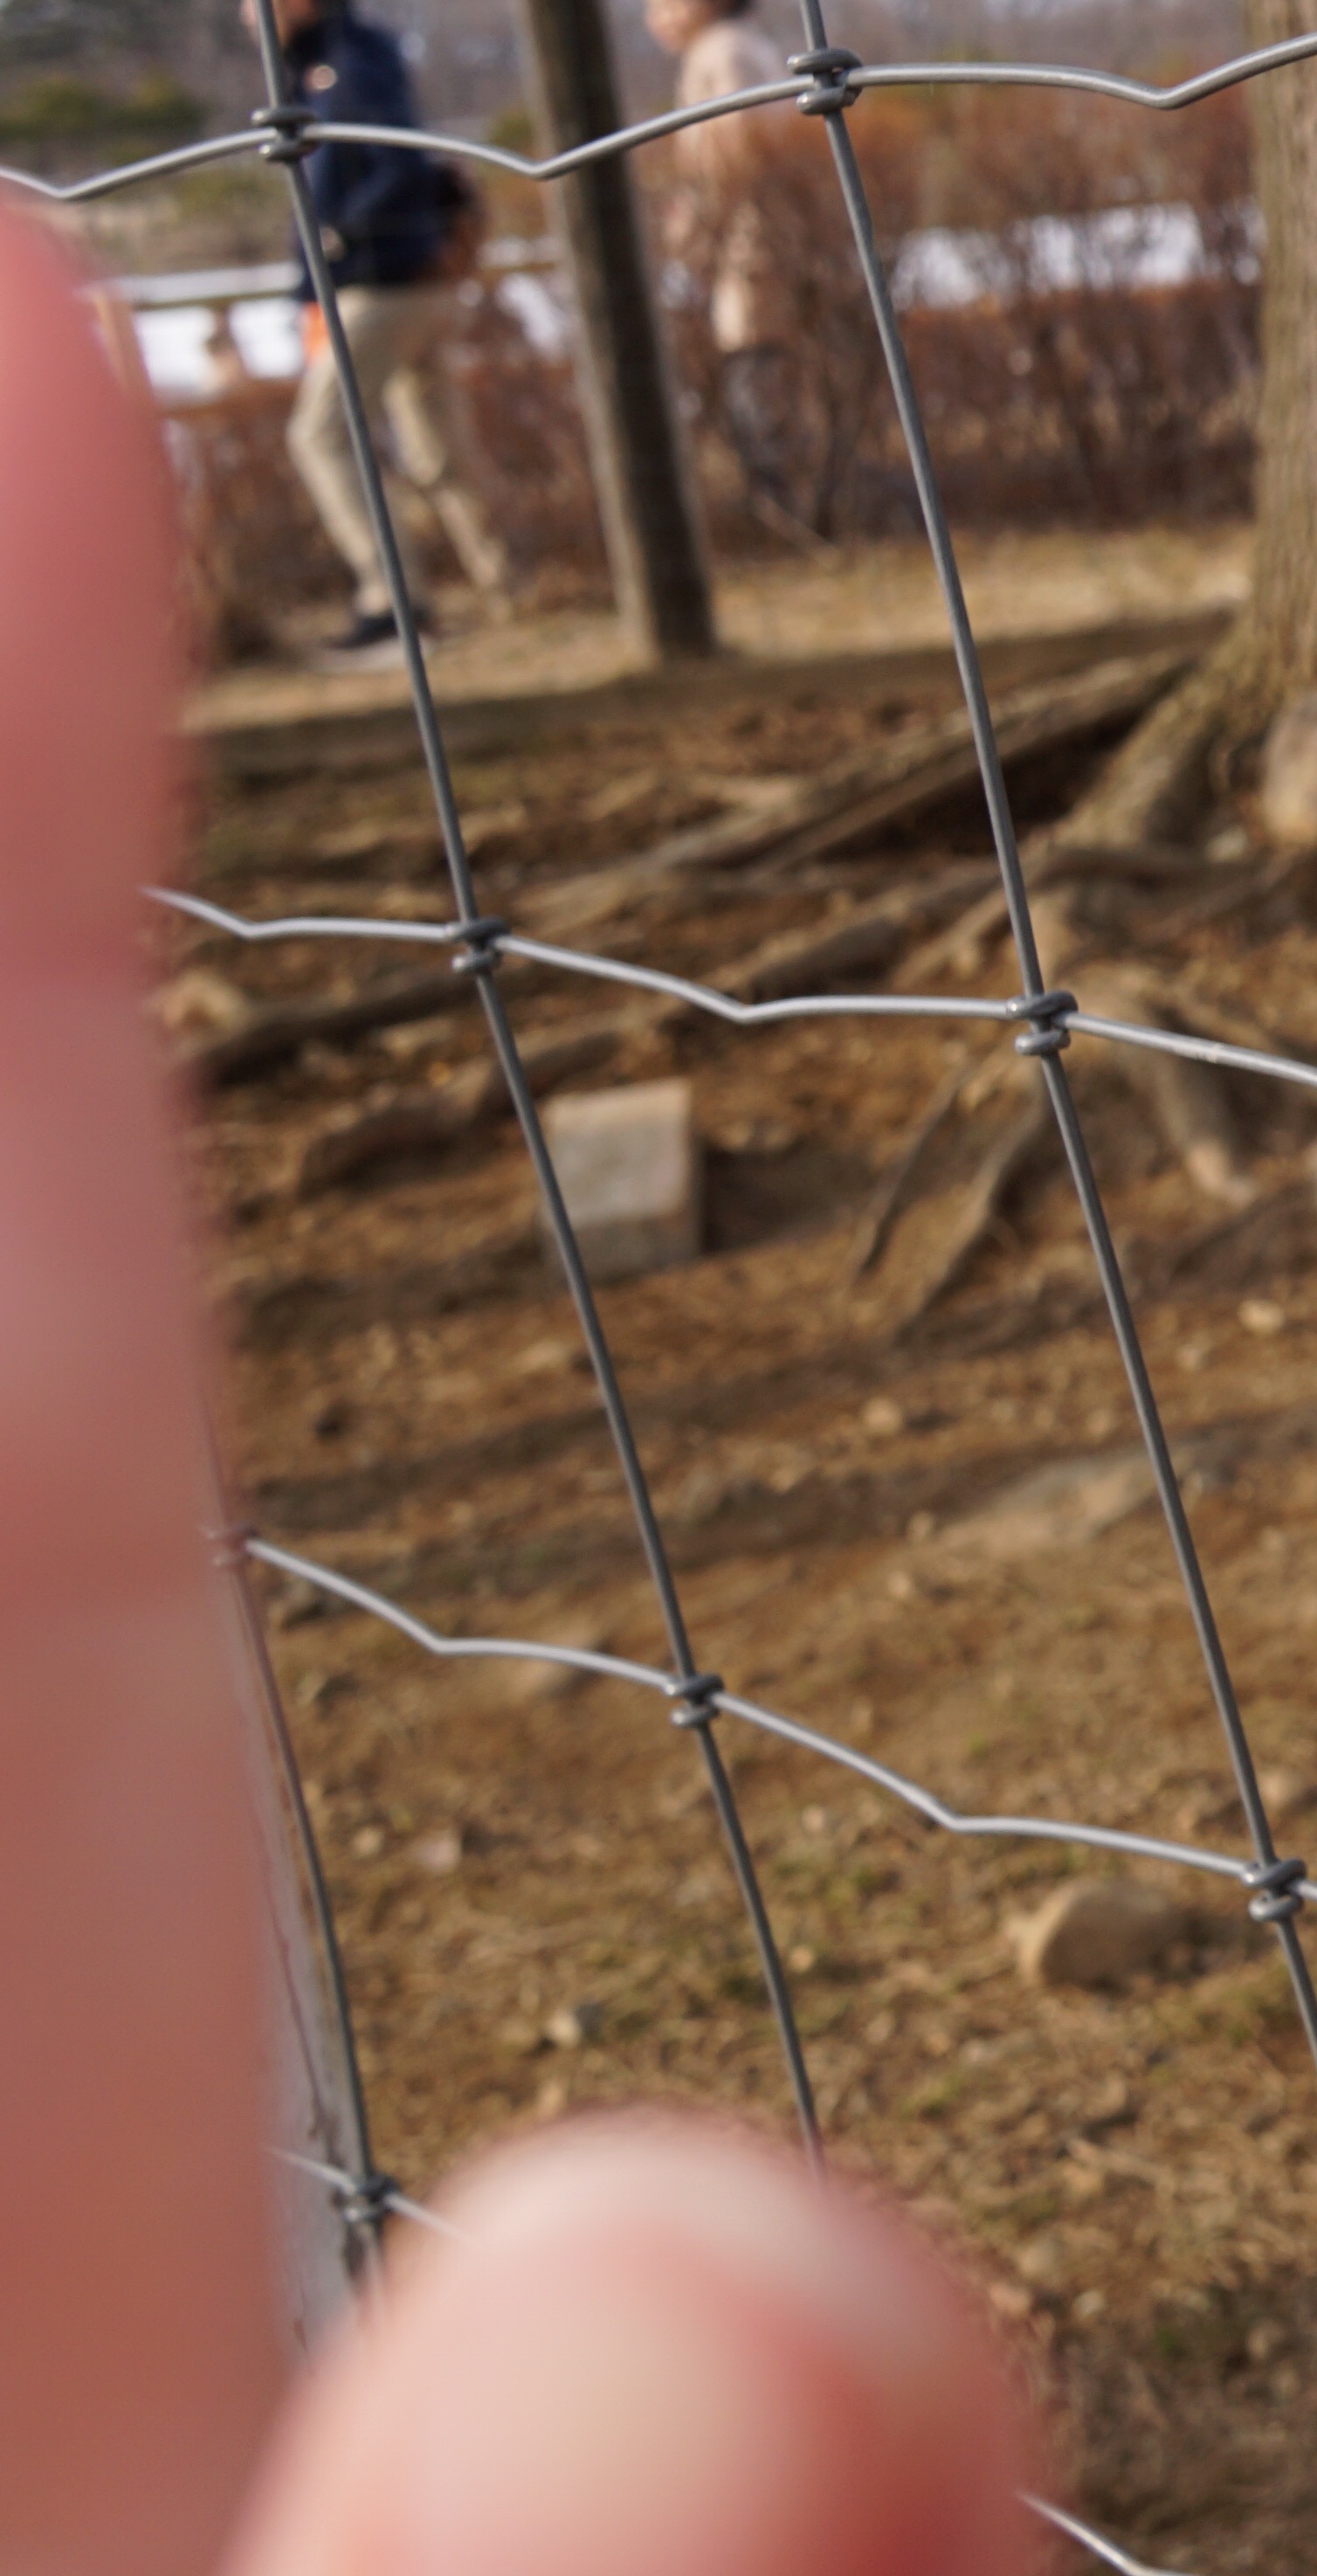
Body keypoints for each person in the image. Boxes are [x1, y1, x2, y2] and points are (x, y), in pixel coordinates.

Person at [3, 182, 1048, 2576]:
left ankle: (436, 590)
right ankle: (436, 581)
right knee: (367, 443)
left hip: (384, 293)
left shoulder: (363, 85)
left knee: (366, 441)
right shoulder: (357, 82)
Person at [263, 0, 519, 656]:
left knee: (320, 433)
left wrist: (338, 238)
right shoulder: (340, 59)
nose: (248, 15)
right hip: (404, 277)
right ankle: (511, 584)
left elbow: (395, 164)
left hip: (380, 279)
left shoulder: (343, 65)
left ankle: (394, 602)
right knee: (434, 442)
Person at [634, 0, 853, 539]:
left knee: (757, 365)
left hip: (752, 238)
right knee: (780, 366)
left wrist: (694, 228)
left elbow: (734, 151)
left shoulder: (723, 52)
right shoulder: (736, 46)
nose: (662, 16)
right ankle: (802, 506)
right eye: (653, 5)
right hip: (766, 231)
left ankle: (789, 514)